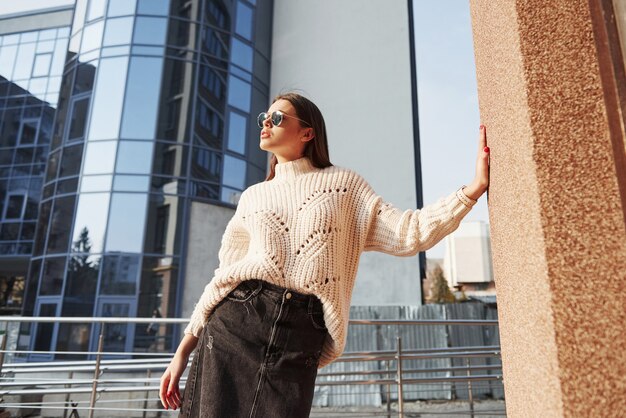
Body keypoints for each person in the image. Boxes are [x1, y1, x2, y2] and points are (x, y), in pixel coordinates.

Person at [159, 92, 490, 417]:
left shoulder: (345, 185)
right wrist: (183, 351)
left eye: (277, 118)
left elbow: (409, 232)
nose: (266, 123)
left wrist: (472, 190)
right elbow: (223, 276)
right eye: (264, 118)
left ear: (307, 132)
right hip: (236, 323)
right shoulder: (253, 197)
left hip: (300, 332)